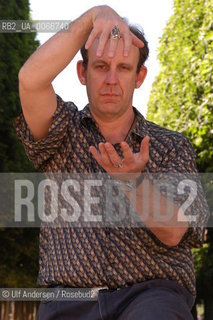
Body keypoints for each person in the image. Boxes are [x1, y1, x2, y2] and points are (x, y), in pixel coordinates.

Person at [15, 5, 209, 320]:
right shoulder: (61, 132)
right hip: (68, 301)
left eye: (123, 67)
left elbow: (176, 232)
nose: (111, 79)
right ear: (82, 72)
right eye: (101, 66)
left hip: (152, 296)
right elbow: (30, 79)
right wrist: (94, 16)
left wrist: (134, 184)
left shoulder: (172, 147)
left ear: (139, 76)